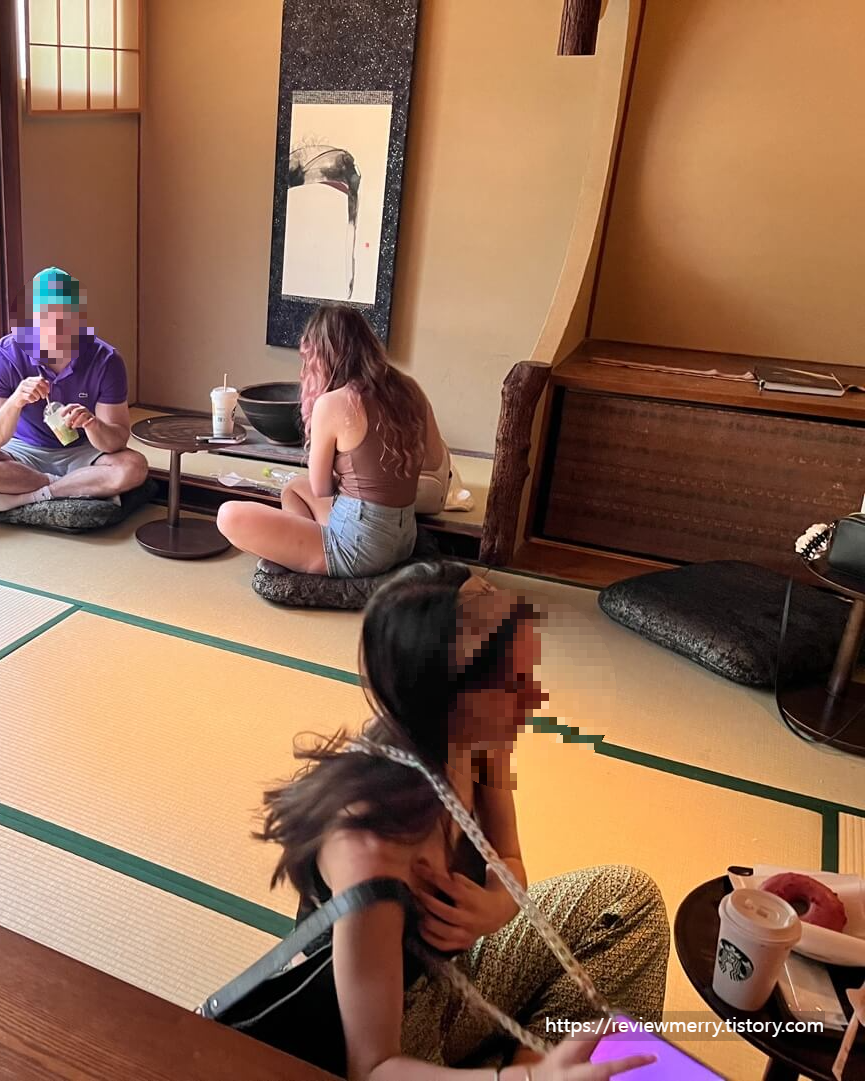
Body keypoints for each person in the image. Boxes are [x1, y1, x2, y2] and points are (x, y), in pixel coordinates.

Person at [254, 562, 668, 1078]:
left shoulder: (478, 744)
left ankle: (531, 1058)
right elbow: (373, 1066)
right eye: (513, 685)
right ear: (443, 699)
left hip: (463, 970)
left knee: (628, 900)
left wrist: (498, 905)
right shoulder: (370, 849)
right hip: (399, 1026)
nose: (535, 700)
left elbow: (509, 859)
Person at [217, 305, 431, 577]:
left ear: (321, 357)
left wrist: (350, 479)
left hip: (358, 547)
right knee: (294, 489)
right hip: (404, 537)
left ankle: (307, 560)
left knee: (228, 515)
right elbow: (434, 458)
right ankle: (297, 553)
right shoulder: (410, 389)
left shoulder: (335, 402)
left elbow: (321, 488)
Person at [0, 267, 149, 516]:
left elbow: (116, 441)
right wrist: (15, 402)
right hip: (22, 453)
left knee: (133, 466)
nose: (55, 327)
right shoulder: (3, 356)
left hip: (83, 451)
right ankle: (75, 487)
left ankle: (27, 497)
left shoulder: (105, 359)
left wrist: (91, 423)